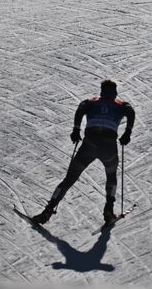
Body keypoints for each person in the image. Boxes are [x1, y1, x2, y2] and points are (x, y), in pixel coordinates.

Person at [30, 79, 136, 226]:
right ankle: (109, 210)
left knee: (69, 179)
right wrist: (127, 132)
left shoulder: (91, 102)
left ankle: (47, 211)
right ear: (115, 92)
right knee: (111, 177)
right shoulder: (121, 105)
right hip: (108, 146)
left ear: (101, 91)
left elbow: (81, 108)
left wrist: (76, 129)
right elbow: (130, 112)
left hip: (90, 144)